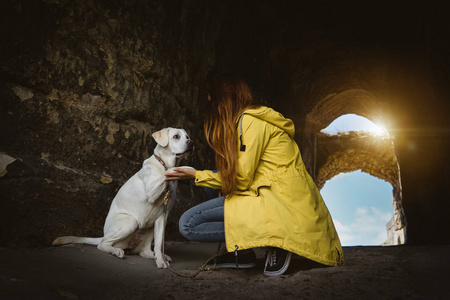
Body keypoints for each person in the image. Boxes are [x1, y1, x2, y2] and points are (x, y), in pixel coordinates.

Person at [165, 74, 344, 276]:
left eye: (214, 102)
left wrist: (196, 175)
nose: (212, 109)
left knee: (188, 224)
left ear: (224, 102)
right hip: (268, 191)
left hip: (277, 199)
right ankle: (242, 253)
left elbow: (241, 179)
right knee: (211, 183)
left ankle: (277, 239)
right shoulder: (251, 119)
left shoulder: (250, 121)